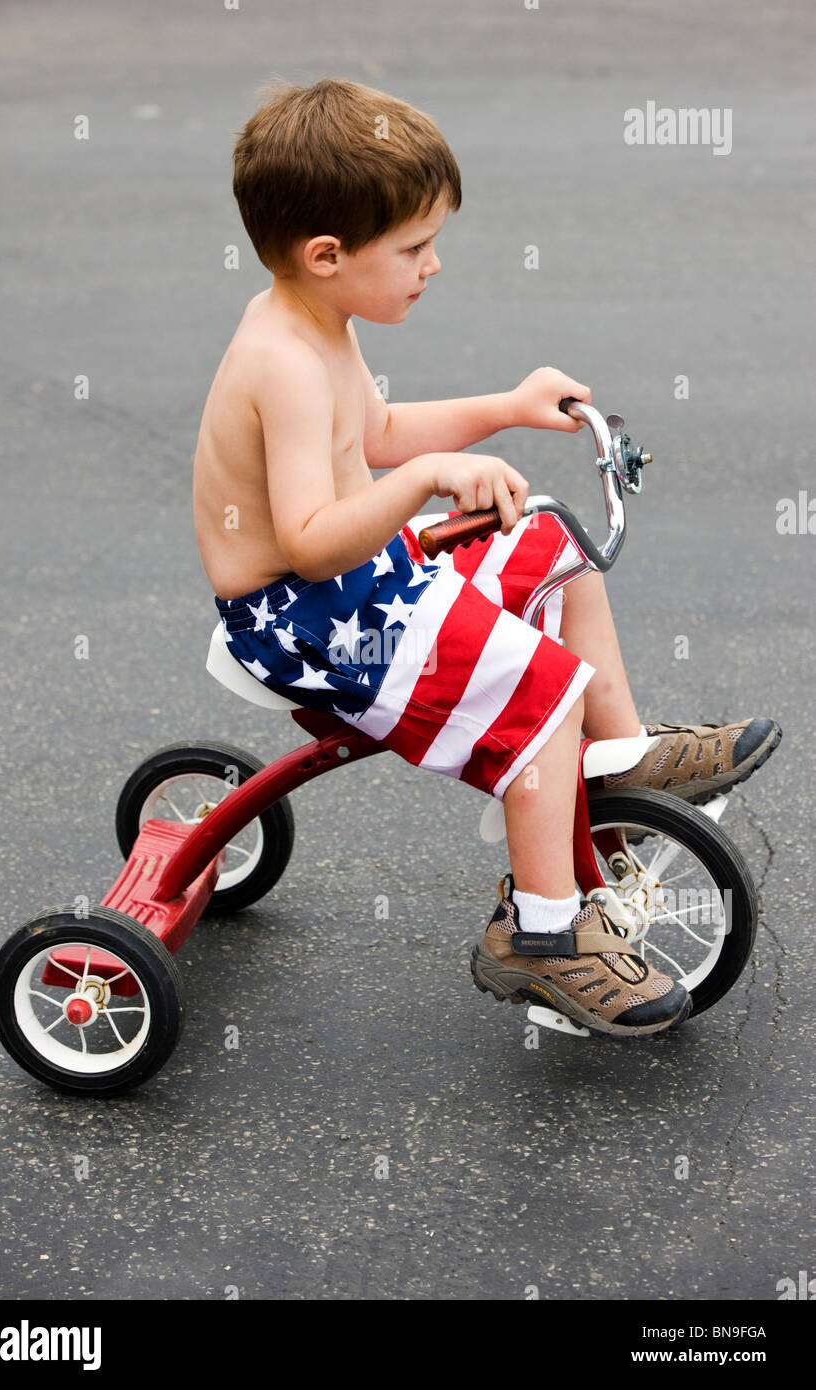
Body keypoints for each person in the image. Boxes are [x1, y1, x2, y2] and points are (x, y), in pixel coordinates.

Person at [192, 77, 780, 1038]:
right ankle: (540, 940)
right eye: (415, 247)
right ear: (328, 254)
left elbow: (376, 428)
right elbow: (308, 537)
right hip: (304, 621)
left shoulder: (318, 323)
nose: (433, 265)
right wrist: (428, 477)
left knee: (551, 547)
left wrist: (506, 405)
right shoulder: (285, 366)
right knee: (538, 690)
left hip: (353, 583)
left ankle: (621, 763)